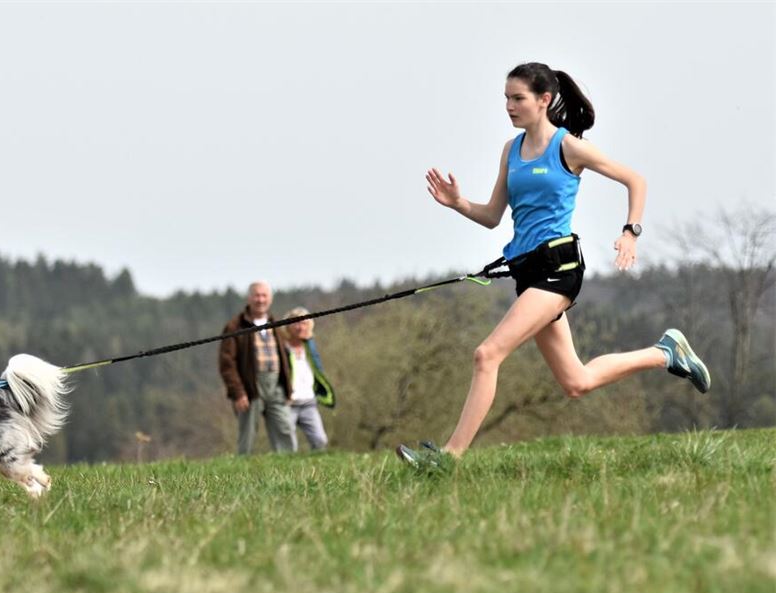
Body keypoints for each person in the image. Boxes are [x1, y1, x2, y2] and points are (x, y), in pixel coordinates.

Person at [399, 62, 711, 467]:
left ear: (544, 100)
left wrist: (630, 232)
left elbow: (636, 180)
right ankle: (666, 353)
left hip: (558, 271)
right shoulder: (510, 151)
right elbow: (494, 214)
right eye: (506, 99)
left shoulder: (568, 147)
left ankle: (448, 459)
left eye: (518, 98)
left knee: (487, 355)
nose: (509, 107)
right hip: (528, 274)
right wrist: (459, 203)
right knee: (576, 382)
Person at [218, 281, 296, 454]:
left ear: (270, 299)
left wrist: (288, 388)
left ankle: (289, 467)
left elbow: (286, 358)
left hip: (276, 385)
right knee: (248, 433)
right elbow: (227, 363)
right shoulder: (235, 326)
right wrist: (238, 392)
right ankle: (240, 470)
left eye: (264, 296)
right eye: (257, 295)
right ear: (249, 298)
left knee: (285, 428)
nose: (260, 300)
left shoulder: (275, 324)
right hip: (250, 386)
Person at [280, 307, 336, 451]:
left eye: (304, 323)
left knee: (320, 440)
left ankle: (316, 468)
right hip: (288, 402)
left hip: (309, 402)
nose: (300, 327)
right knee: (287, 445)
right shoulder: (282, 347)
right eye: (296, 323)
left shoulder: (310, 347)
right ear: (288, 326)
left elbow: (317, 371)